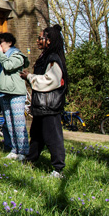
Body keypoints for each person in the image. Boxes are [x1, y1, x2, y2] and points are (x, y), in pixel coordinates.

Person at [21, 25, 68, 178]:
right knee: (36, 135)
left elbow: (51, 80)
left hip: (49, 106)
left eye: (40, 38)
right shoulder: (46, 56)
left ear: (49, 40)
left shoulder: (53, 58)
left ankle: (58, 169)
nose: (38, 40)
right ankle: (30, 161)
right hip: (42, 105)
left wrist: (29, 77)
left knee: (53, 137)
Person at [0, 32, 30, 161]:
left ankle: (23, 151)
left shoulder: (17, 55)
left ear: (9, 43)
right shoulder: (1, 55)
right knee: (10, 123)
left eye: (0, 42)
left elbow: (8, 66)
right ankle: (14, 149)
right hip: (4, 92)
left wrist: (1, 54)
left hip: (16, 93)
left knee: (18, 123)